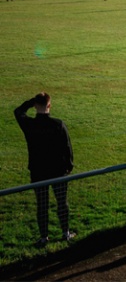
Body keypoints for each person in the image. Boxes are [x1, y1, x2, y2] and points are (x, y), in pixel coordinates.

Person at [14, 93, 75, 246]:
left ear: (35, 106)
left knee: (42, 204)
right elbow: (67, 147)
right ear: (49, 105)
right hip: (58, 171)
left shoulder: (29, 125)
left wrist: (30, 102)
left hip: (38, 170)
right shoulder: (58, 124)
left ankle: (43, 237)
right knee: (62, 201)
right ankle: (65, 232)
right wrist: (69, 166)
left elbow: (18, 111)